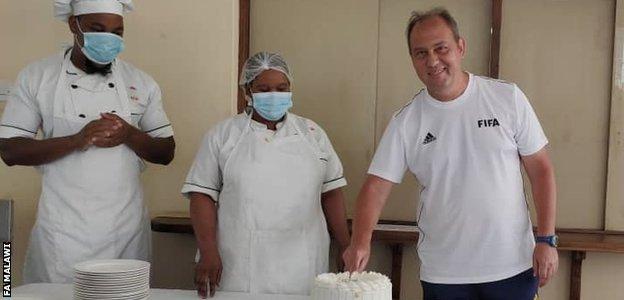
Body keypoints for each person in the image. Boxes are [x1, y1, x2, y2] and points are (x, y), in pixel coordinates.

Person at [343, 8, 558, 300]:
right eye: (420, 53)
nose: (432, 61)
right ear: (412, 60)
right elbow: (376, 187)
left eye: (441, 48)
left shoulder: (506, 98)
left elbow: (541, 170)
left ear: (460, 47)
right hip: (444, 273)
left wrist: (546, 239)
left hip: (513, 267)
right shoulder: (406, 121)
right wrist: (360, 242)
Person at [0, 0, 175, 284]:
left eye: (117, 32)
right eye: (97, 29)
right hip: (63, 233)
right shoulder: (37, 77)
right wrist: (77, 139)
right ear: (74, 25)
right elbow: (9, 149)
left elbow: (166, 151)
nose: (109, 38)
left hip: (124, 231)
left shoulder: (141, 83)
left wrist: (129, 134)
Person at [182, 52, 350, 298]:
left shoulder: (312, 133)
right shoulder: (223, 135)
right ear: (247, 91)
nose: (274, 95)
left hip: (303, 261)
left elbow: (331, 191)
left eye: (282, 88)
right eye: (264, 88)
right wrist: (207, 251)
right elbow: (201, 195)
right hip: (239, 262)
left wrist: (345, 244)